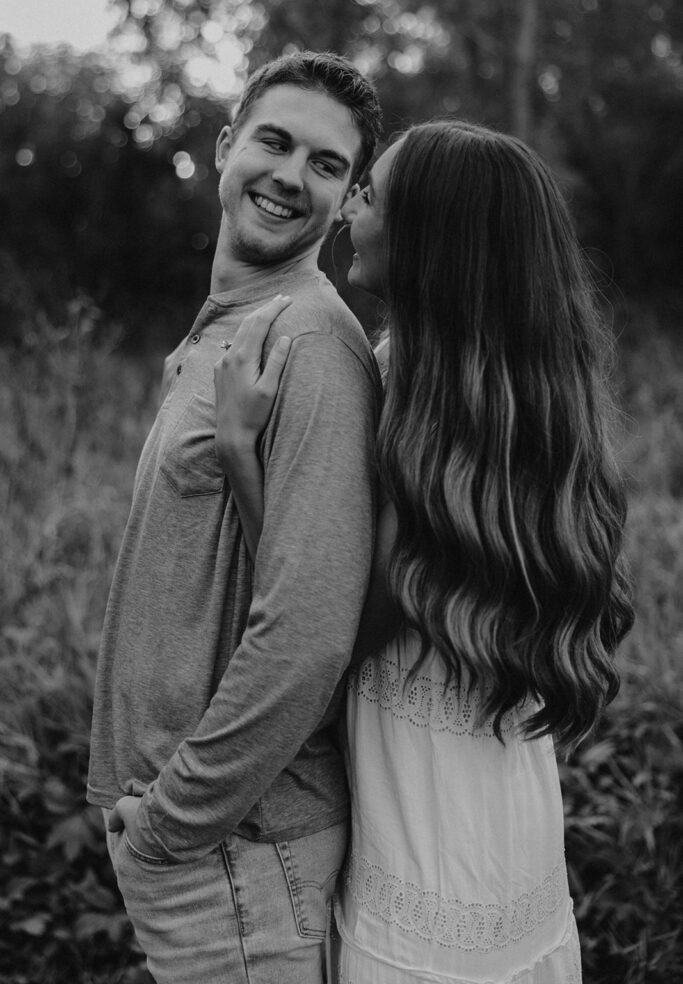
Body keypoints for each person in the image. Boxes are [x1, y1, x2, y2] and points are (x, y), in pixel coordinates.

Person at [214, 120, 634, 983]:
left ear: (429, 243)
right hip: (519, 875)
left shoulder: (405, 383)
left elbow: (324, 631)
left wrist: (237, 454)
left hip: (421, 885)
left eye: (368, 193)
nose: (347, 208)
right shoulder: (536, 403)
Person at [87, 51, 383, 984]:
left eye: (326, 165)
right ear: (225, 147)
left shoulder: (309, 345)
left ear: (346, 197)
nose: (292, 176)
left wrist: (174, 823)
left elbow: (308, 632)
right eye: (275, 141)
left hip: (240, 858)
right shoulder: (228, 324)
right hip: (210, 857)